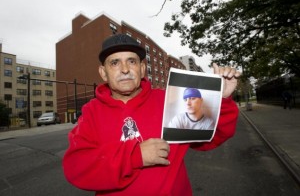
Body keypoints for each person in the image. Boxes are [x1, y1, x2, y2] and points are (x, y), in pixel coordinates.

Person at [63, 34, 241, 195]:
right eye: (115, 62)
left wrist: (222, 99)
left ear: (142, 69)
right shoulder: (91, 112)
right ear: (103, 72)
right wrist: (136, 155)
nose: (124, 69)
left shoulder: (169, 100)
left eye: (132, 61)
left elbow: (211, 136)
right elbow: (77, 167)